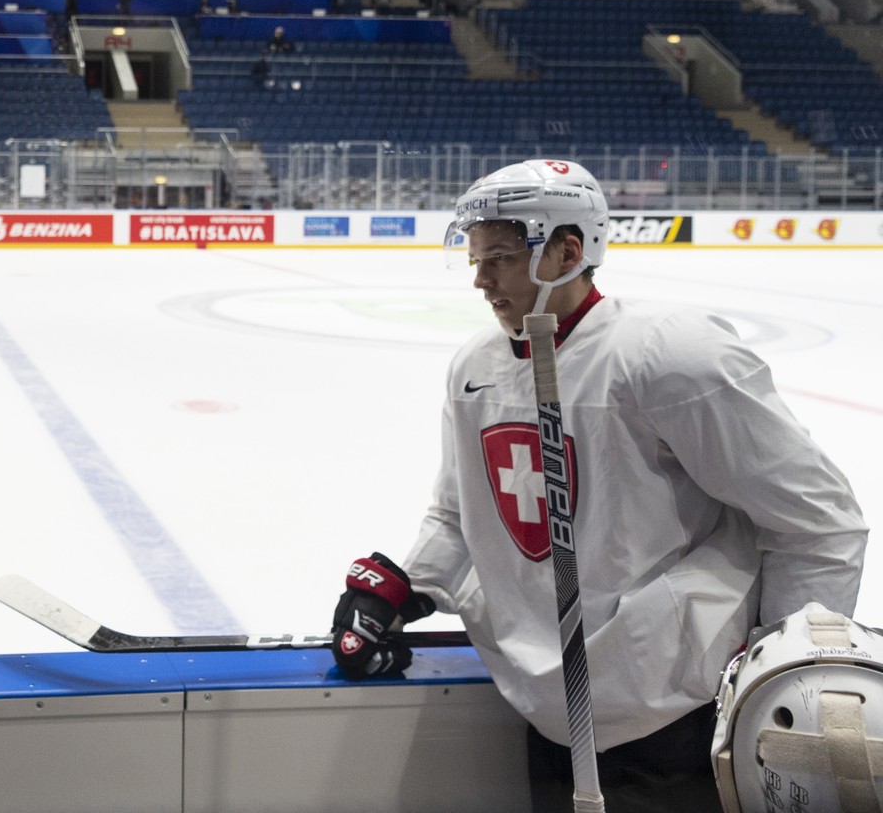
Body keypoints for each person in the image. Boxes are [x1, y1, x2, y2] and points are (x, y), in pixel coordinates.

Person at [328, 159, 868, 812]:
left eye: (498, 256)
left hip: (678, 716)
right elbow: (457, 514)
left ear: (568, 250)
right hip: (546, 708)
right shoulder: (476, 368)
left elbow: (818, 520)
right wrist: (400, 587)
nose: (479, 279)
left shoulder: (669, 355)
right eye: (474, 258)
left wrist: (784, 678)